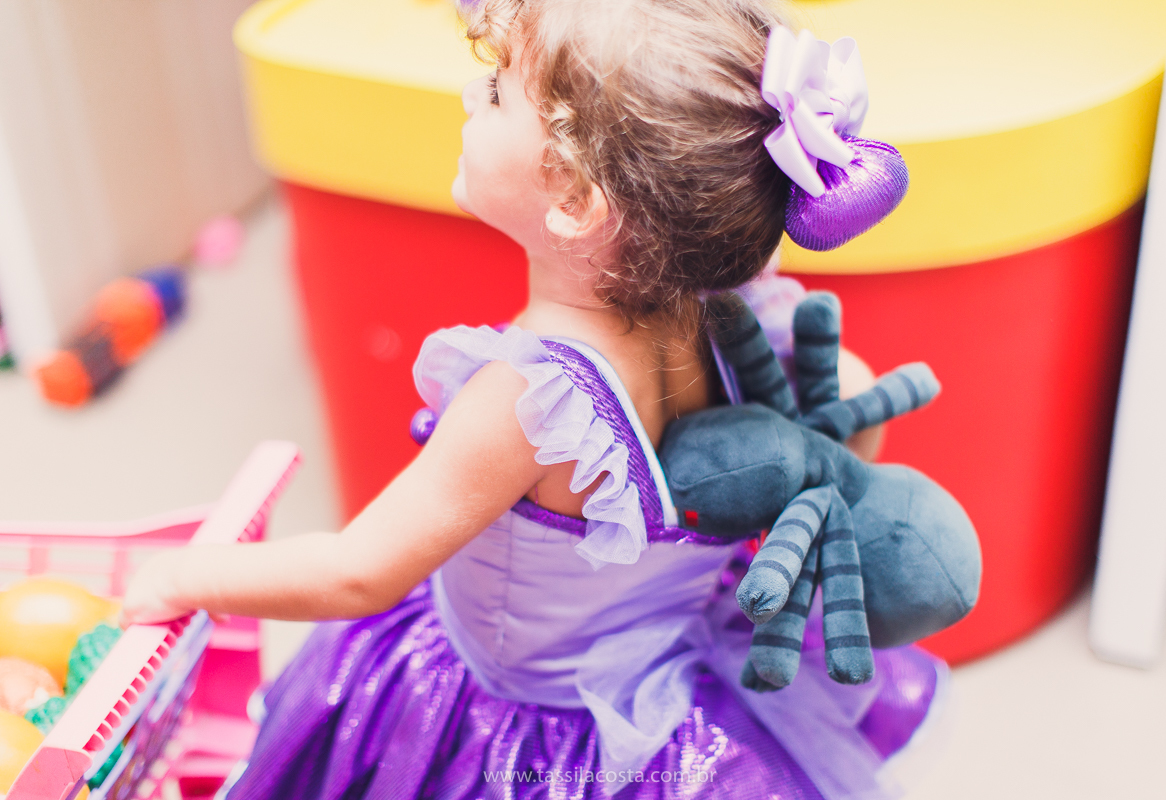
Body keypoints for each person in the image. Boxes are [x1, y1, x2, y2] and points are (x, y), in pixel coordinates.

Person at [122, 0, 944, 796]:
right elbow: (858, 399)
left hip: (503, 732)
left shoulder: (533, 402)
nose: (466, 98)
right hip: (662, 710)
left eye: (493, 92)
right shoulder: (739, 324)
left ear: (576, 200)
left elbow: (356, 574)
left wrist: (185, 577)